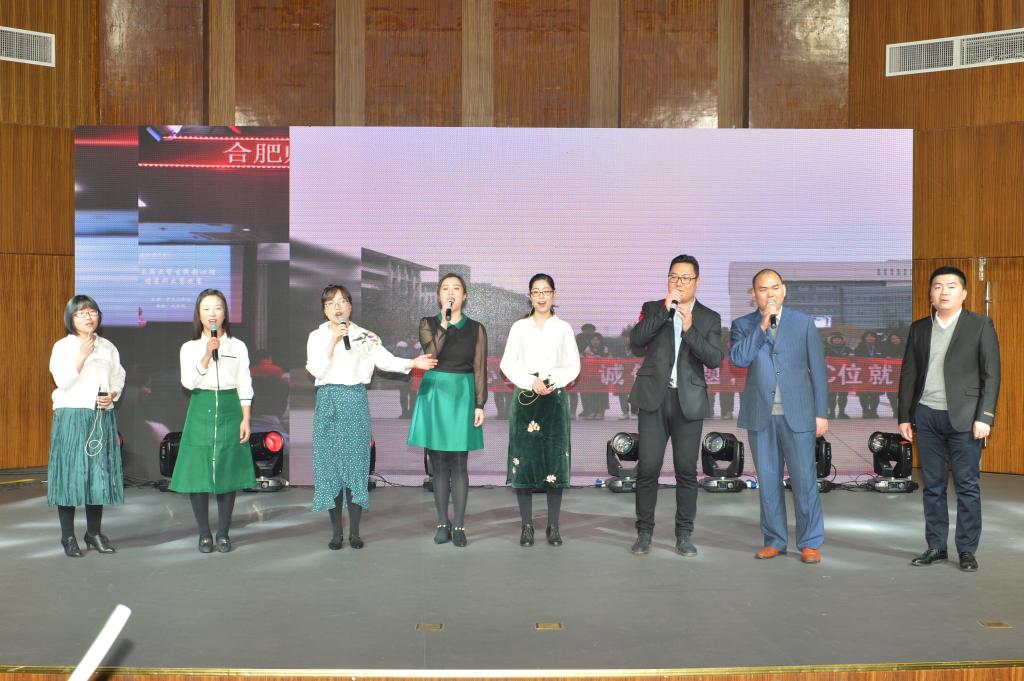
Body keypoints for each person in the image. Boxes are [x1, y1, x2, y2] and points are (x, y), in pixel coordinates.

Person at [307, 285, 436, 550]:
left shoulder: (365, 336)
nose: (337, 307)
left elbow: (386, 360)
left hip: (355, 400)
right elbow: (316, 369)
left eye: (342, 301)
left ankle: (354, 531)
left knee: (356, 466)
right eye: (331, 303)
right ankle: (336, 532)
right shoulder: (317, 336)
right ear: (325, 309)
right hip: (328, 401)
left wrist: (412, 363)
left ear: (350, 306)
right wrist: (333, 342)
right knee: (330, 467)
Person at [898, 266, 1000, 572]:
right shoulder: (920, 328)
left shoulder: (979, 325)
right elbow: (909, 374)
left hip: (966, 418)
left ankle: (967, 550)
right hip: (927, 415)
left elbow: (991, 374)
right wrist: (905, 416)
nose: (944, 292)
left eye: (951, 286)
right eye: (938, 286)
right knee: (933, 486)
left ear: (964, 293)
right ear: (930, 294)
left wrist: (985, 417)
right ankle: (936, 546)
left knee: (967, 486)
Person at [629, 255, 724, 557]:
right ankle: (644, 532)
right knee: (648, 468)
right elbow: (636, 342)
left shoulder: (709, 317)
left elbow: (714, 358)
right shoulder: (652, 308)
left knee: (686, 470)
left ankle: (684, 534)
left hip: (688, 401)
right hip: (654, 399)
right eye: (674, 276)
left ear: (697, 281)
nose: (679, 282)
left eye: (685, 277)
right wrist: (664, 312)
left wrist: (690, 328)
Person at [730, 269, 828, 564]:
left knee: (804, 480)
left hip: (798, 414)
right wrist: (761, 326)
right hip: (761, 415)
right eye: (762, 289)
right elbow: (739, 359)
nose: (769, 294)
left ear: (783, 290)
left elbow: (818, 370)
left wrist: (821, 413)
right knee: (769, 481)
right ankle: (774, 540)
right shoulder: (742, 325)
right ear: (754, 294)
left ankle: (810, 542)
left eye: (774, 288)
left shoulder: (803, 323)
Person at [170, 289, 255, 553]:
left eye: (217, 308)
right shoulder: (189, 348)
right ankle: (204, 533)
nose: (212, 314)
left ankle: (224, 533)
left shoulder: (237, 346)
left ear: (225, 313)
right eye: (206, 309)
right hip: (201, 406)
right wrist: (207, 355)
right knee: (199, 471)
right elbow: (188, 382)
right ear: (199, 314)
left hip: (231, 406)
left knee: (227, 470)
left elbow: (244, 382)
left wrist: (246, 418)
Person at [500, 274, 581, 547]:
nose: (541, 297)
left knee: (554, 461)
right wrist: (529, 381)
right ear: (530, 296)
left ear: (554, 295)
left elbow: (574, 366)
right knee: (524, 462)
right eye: (536, 292)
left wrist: (553, 381)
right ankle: (526, 527)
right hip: (525, 398)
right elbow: (507, 364)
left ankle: (553, 527)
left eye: (546, 291)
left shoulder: (564, 328)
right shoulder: (519, 327)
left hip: (554, 399)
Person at [408, 273, 488, 548]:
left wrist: (479, 403)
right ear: (439, 295)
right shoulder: (428, 323)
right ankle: (442, 523)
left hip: (462, 394)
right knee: (439, 463)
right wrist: (444, 321)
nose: (450, 293)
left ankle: (460, 525)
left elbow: (479, 368)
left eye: (456, 288)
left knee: (459, 463)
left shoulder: (476, 328)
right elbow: (432, 354)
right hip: (435, 393)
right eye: (445, 288)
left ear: (465, 296)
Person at [47, 296, 125, 557]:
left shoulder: (108, 346)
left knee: (97, 477)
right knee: (68, 476)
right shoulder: (63, 346)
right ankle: (68, 537)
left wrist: (112, 394)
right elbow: (63, 381)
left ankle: (93, 533)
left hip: (100, 415)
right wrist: (82, 355)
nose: (88, 317)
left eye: (92, 311)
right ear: (71, 319)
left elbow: (118, 376)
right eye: (81, 313)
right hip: (71, 414)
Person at [580, 333, 610, 419]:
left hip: (602, 376)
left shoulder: (604, 349)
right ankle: (592, 411)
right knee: (591, 394)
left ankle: (600, 412)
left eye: (597, 340)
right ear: (590, 341)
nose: (595, 342)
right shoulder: (587, 349)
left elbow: (609, 359)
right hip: (591, 376)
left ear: (600, 341)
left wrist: (600, 358)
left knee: (601, 394)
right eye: (593, 340)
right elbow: (581, 357)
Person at [824, 332, 853, 419]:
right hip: (831, 377)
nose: (837, 340)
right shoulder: (826, 349)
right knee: (831, 395)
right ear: (831, 340)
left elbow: (856, 360)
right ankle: (831, 413)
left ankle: (841, 413)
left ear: (842, 340)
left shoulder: (847, 349)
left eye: (839, 338)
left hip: (844, 376)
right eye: (835, 338)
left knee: (843, 395)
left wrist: (853, 357)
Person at [855, 331, 883, 417]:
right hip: (863, 374)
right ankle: (865, 411)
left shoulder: (880, 347)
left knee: (875, 394)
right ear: (864, 338)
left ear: (875, 338)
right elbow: (855, 357)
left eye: (872, 336)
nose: (870, 338)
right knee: (863, 394)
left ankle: (874, 411)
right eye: (868, 336)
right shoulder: (859, 347)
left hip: (877, 373)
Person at [883, 330, 906, 417]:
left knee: (903, 394)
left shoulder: (907, 347)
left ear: (900, 339)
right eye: (893, 338)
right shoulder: (886, 348)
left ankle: (903, 412)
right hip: (890, 375)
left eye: (897, 338)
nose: (895, 340)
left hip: (904, 375)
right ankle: (895, 411)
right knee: (891, 395)